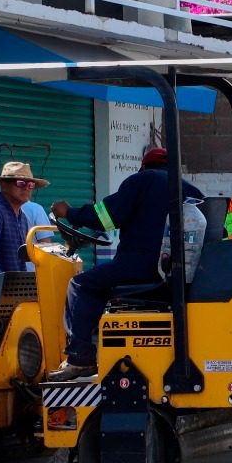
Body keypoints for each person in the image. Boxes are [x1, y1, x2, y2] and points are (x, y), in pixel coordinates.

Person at [47, 147, 204, 380]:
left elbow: (105, 217)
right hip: (175, 273)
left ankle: (80, 358)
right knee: (101, 281)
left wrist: (69, 212)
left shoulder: (142, 181)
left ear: (144, 166)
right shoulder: (191, 190)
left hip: (140, 266)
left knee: (81, 285)